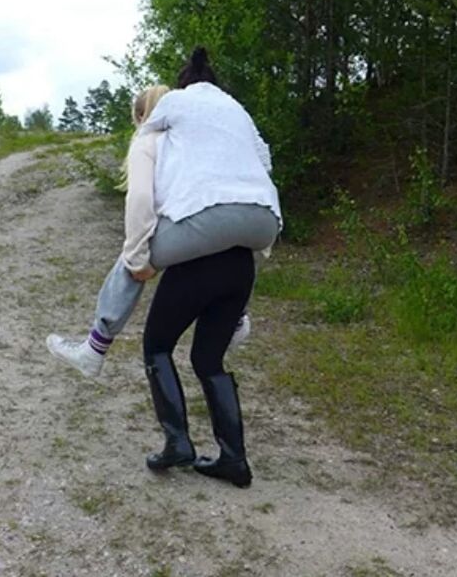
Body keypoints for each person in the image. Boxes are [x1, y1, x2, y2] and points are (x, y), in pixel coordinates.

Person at [46, 48, 282, 376]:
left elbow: (141, 198)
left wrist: (138, 257)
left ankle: (95, 347)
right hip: (265, 219)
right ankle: (238, 318)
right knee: (230, 240)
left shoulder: (165, 118)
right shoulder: (235, 111)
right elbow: (265, 160)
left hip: (208, 221)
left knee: (133, 256)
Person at [143, 246, 255, 488]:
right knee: (209, 361)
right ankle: (234, 457)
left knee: (157, 347)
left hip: (194, 262)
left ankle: (177, 441)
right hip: (241, 265)